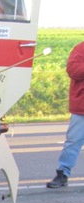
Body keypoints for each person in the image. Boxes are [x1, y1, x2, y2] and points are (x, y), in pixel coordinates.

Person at [47, 40, 84, 188]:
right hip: (81, 107)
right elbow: (72, 69)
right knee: (72, 142)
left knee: (72, 142)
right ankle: (62, 173)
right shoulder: (81, 48)